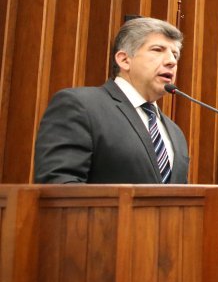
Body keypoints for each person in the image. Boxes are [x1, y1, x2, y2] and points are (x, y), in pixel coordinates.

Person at [34, 17, 189, 184]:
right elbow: (59, 185)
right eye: (157, 50)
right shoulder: (81, 106)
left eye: (175, 55)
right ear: (124, 60)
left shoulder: (175, 133)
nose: (171, 61)